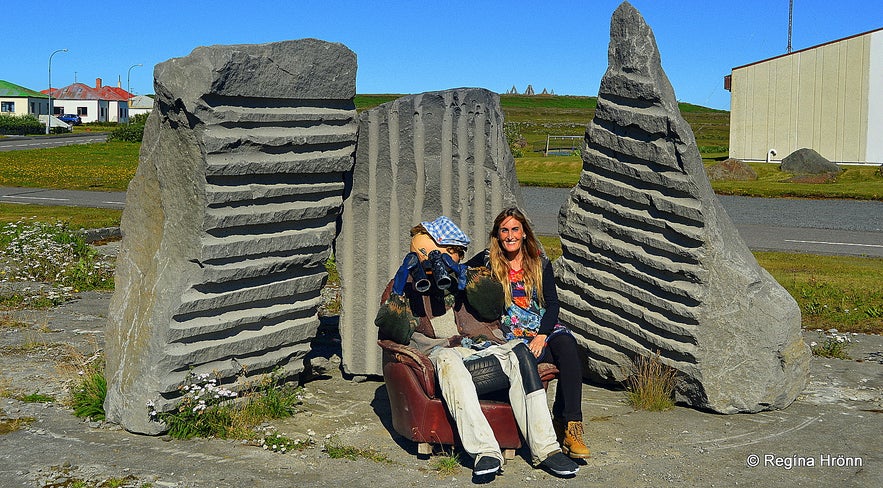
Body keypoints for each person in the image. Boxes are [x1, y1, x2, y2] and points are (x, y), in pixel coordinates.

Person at [375, 216, 579, 479]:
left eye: (457, 253)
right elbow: (391, 332)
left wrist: (459, 275)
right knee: (448, 356)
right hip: (444, 360)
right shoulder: (406, 285)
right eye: (449, 252)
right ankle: (485, 451)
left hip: (481, 354)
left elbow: (491, 306)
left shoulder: (467, 277)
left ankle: (547, 449)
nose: (455, 257)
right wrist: (404, 284)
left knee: (519, 350)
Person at [467, 207, 590, 459]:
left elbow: (553, 304)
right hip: (511, 334)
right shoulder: (487, 260)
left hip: (542, 329)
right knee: (555, 363)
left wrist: (542, 335)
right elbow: (459, 273)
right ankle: (557, 421)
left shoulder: (539, 262)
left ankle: (573, 427)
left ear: (524, 233)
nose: (510, 235)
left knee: (569, 348)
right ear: (498, 235)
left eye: (515, 229)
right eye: (505, 230)